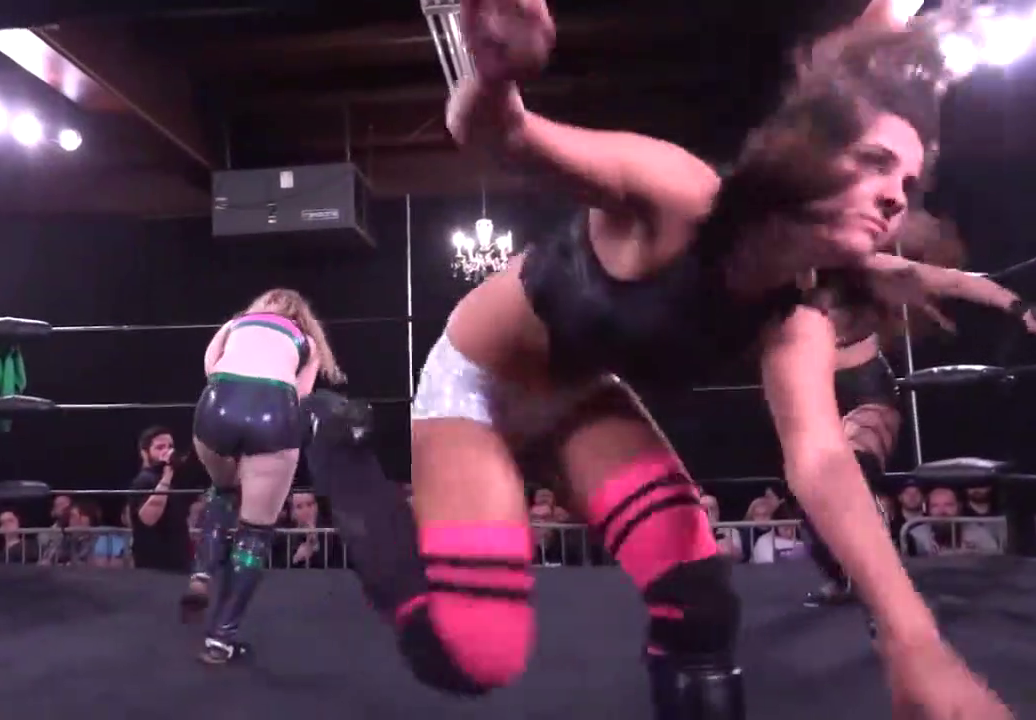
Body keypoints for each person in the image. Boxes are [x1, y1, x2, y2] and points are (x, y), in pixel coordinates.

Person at [336, 0, 1010, 717]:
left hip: (579, 398)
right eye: (876, 163)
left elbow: (821, 460)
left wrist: (915, 641)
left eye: (907, 184)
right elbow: (502, 135)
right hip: (480, 389)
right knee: (473, 655)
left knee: (700, 603)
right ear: (810, 153)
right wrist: (497, 77)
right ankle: (336, 449)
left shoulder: (795, 317)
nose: (895, 197)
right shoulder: (679, 193)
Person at [804, 214, 1036, 607]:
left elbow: (953, 281)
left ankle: (878, 576)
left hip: (864, 393)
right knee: (809, 499)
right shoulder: (775, 283)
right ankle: (846, 577)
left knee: (851, 473)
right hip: (811, 399)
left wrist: (1018, 307)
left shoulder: (864, 268)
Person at [188, 288, 345, 665]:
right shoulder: (306, 341)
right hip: (272, 413)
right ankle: (220, 640)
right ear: (301, 316)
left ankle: (202, 573)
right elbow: (300, 395)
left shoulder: (235, 324)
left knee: (223, 490)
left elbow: (210, 367)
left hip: (216, 408)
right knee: (255, 532)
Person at [128, 426, 192, 574]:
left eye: (170, 446)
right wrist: (167, 477)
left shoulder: (171, 480)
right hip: (154, 565)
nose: (167, 451)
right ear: (145, 453)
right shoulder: (144, 480)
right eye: (160, 447)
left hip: (177, 563)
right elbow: (148, 519)